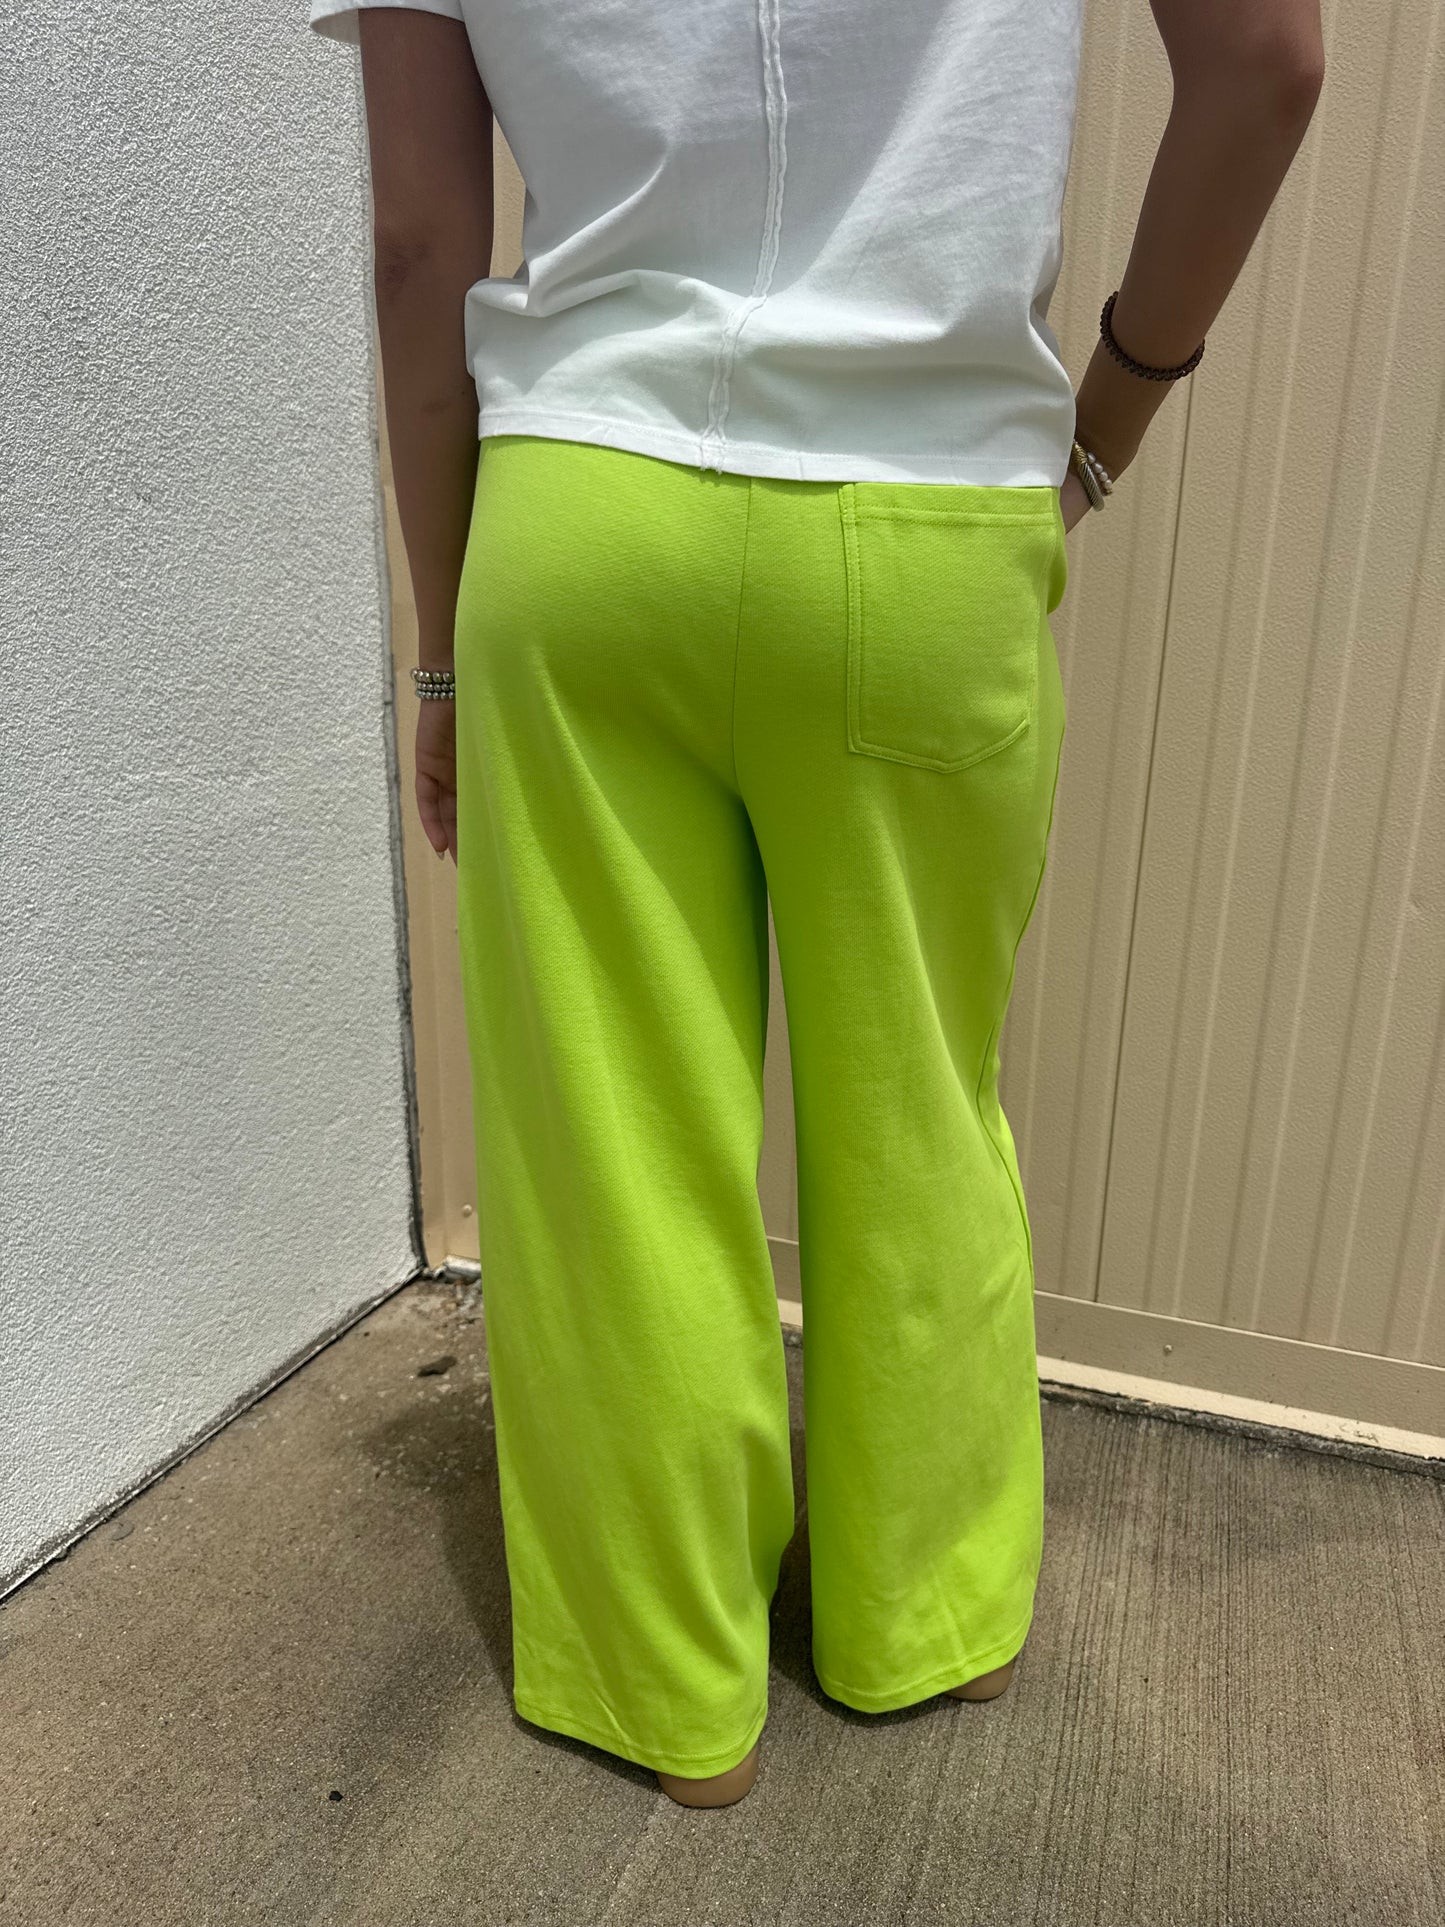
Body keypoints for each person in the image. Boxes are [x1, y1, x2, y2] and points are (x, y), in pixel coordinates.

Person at [307, 0, 1324, 1808]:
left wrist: (444, 648)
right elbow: (1266, 60)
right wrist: (1105, 420)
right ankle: (922, 1616)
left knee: (612, 1143)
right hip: (924, 516)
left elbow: (416, 239)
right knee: (916, 1096)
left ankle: (661, 1685)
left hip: (587, 521)